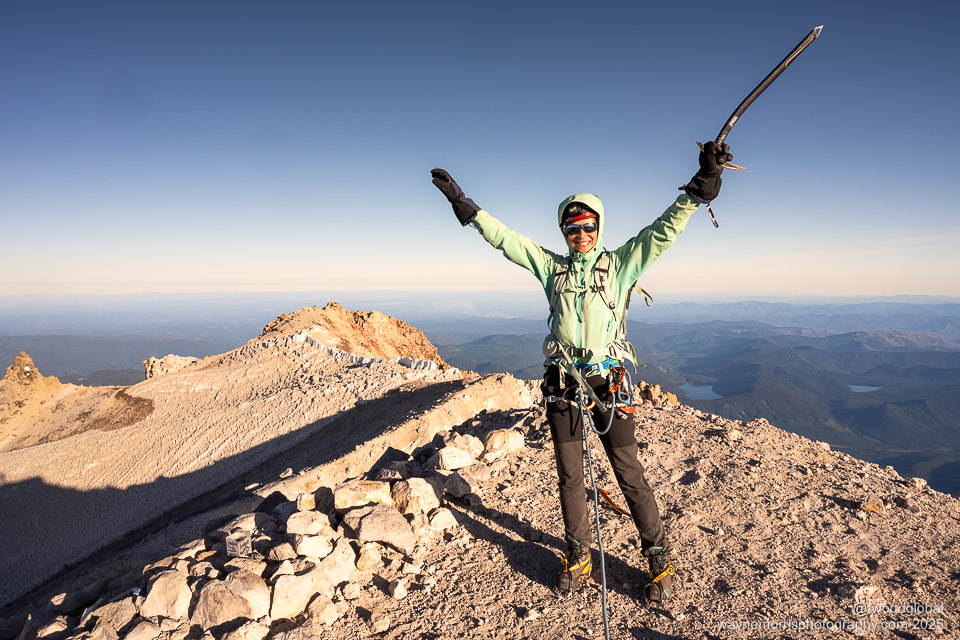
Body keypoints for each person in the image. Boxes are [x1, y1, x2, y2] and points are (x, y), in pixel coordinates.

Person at [430, 141, 732, 603]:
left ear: (599, 226)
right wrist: (466, 207)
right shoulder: (552, 269)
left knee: (627, 471)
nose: (581, 234)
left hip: (608, 378)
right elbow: (508, 241)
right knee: (570, 476)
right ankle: (578, 553)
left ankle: (658, 556)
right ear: (564, 231)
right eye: (573, 228)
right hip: (562, 380)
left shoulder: (621, 263)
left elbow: (663, 231)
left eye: (588, 226)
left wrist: (700, 188)